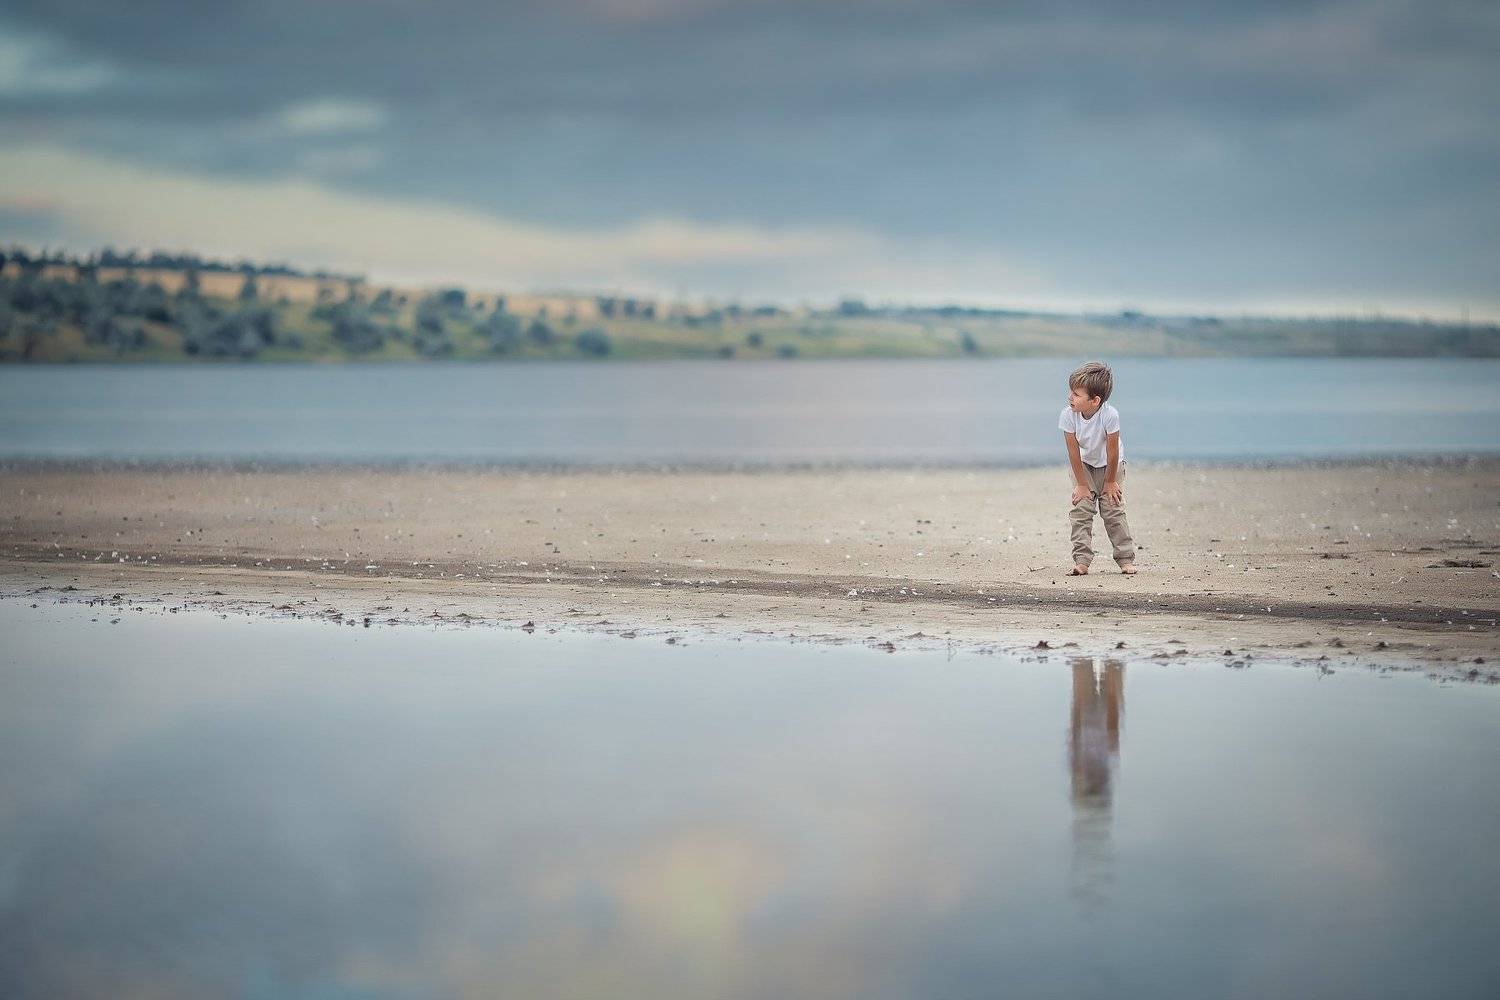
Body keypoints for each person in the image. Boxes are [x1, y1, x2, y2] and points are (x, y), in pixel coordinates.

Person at [1059, 361, 1136, 575]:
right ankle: (1082, 560)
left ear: (1095, 400)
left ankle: (1125, 559)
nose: (1070, 397)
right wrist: (1082, 485)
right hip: (1083, 465)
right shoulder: (1068, 415)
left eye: (1076, 394)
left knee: (1113, 510)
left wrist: (1110, 482)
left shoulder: (1110, 415)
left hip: (1111, 466)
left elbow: (1113, 452)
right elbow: (1073, 452)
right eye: (1071, 391)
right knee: (1081, 510)